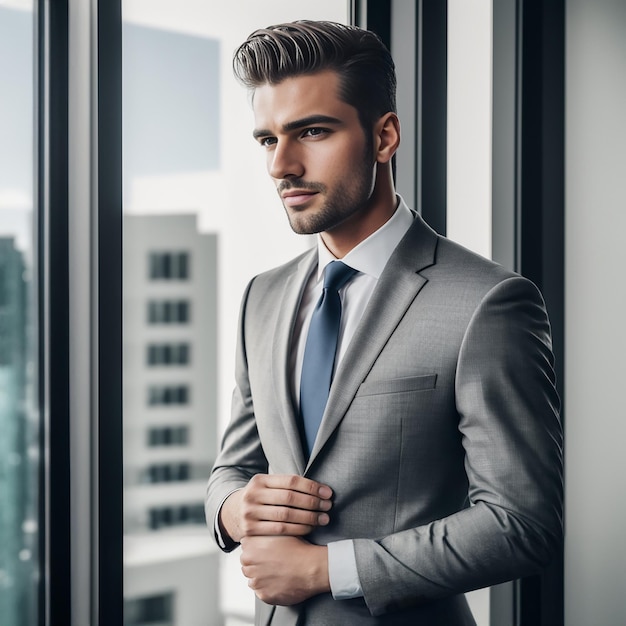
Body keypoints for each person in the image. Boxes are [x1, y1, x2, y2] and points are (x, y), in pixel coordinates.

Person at [205, 20, 562, 626]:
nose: (281, 166)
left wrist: (326, 570)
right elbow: (232, 469)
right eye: (267, 140)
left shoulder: (488, 302)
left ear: (385, 136)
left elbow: (522, 524)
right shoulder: (259, 299)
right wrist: (235, 510)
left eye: (311, 131)